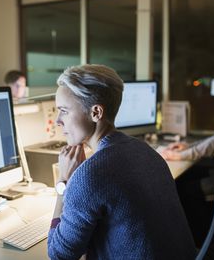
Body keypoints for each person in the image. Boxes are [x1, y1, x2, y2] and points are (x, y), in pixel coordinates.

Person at [47, 64, 196, 260]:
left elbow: (58, 254)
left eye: (64, 111)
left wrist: (64, 182)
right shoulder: (147, 152)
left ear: (96, 113)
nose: (58, 120)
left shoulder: (88, 175)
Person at [159, 60, 214, 245]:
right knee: (182, 181)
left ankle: (201, 241)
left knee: (187, 190)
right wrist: (188, 147)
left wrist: (181, 156)